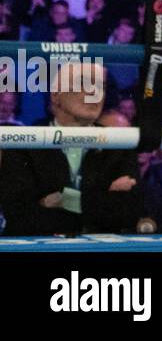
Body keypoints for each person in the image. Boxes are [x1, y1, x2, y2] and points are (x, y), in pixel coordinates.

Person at [0, 61, 141, 235]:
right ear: (55, 95)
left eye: (100, 86)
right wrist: (101, 199)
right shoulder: (24, 145)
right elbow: (21, 216)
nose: (94, 93)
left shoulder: (119, 144)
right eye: (83, 84)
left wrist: (63, 200)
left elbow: (128, 212)